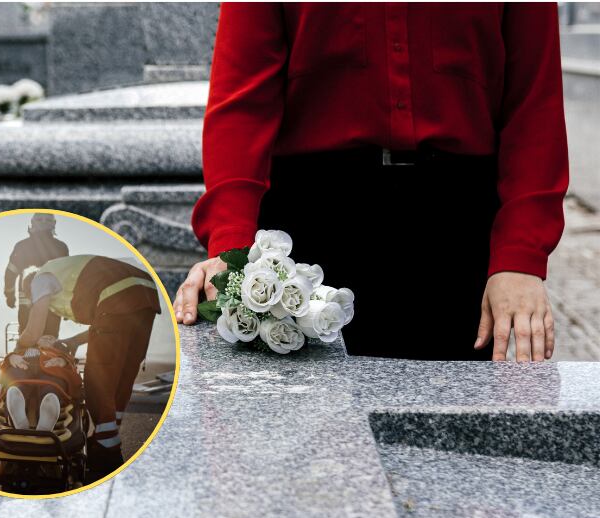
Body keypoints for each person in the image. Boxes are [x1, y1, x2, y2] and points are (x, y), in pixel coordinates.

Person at [175, 3, 568, 363]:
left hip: (457, 230)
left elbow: (534, 103)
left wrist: (520, 257)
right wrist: (232, 251)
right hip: (312, 230)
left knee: (460, 426)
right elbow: (242, 101)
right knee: (307, 429)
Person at [17, 255, 161, 480]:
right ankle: (109, 437)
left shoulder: (38, 278)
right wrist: (72, 341)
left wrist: (19, 349)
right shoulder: (68, 277)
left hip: (115, 295)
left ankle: (107, 452)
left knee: (99, 375)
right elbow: (106, 323)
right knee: (123, 374)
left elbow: (33, 331)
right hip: (146, 295)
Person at [4, 213, 69, 336]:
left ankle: (26, 354)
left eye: (47, 219)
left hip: (31, 303)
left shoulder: (22, 246)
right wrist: (66, 305)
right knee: (49, 339)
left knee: (28, 337)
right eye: (40, 219)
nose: (44, 222)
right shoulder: (61, 247)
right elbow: (65, 277)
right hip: (51, 303)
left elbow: (10, 273)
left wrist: (9, 295)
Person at [4, 335, 70, 432]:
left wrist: (62, 361)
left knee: (53, 383)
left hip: (50, 366)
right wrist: (11, 357)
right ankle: (18, 413)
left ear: (56, 342)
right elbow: (9, 358)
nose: (47, 339)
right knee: (16, 379)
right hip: (24, 363)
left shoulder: (58, 351)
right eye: (43, 337)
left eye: (51, 339)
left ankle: (47, 417)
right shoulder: (24, 346)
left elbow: (69, 361)